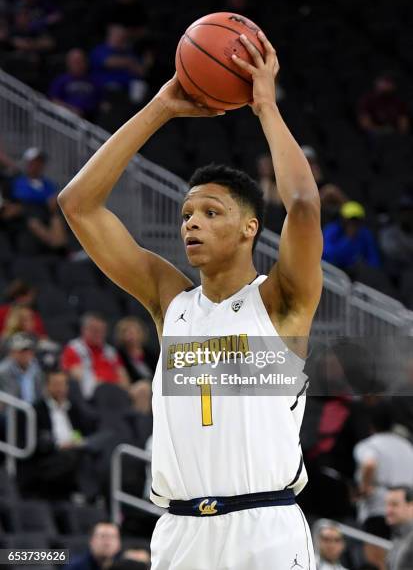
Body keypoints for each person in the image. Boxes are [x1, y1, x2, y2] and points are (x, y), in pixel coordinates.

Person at [58, 29, 322, 568]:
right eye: (185, 216)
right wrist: (160, 107)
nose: (191, 225)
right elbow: (78, 204)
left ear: (250, 228)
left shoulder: (280, 303)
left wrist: (265, 106)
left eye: (210, 213)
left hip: (263, 528)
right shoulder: (169, 301)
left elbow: (303, 205)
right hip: (179, 532)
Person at [17, 369, 105, 499]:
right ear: (47, 386)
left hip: (75, 451)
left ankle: (89, 495)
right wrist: (59, 445)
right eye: (56, 384)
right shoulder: (35, 410)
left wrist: (79, 442)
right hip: (50, 457)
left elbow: (85, 431)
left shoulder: (73, 409)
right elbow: (36, 442)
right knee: (76, 455)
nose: (60, 388)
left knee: (100, 445)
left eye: (63, 384)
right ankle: (89, 496)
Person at [354, 403, 413, 570]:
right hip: (406, 511)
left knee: (377, 563)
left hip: (378, 509)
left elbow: (369, 464)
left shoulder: (370, 444)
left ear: (371, 425)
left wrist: (364, 488)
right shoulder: (407, 446)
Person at [62, 312, 129, 398]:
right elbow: (78, 377)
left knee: (143, 388)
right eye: (95, 330)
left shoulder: (110, 351)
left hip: (115, 391)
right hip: (92, 394)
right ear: (84, 330)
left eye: (102, 331)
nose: (99, 334)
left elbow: (123, 376)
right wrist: (104, 386)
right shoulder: (74, 348)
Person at [322, 201, 381, 270]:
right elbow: (329, 255)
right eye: (350, 220)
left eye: (357, 220)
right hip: (333, 270)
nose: (353, 223)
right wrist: (348, 239)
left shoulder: (364, 233)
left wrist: (369, 268)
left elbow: (373, 257)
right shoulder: (331, 230)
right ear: (343, 219)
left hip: (357, 272)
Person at [49, 49, 101, 120]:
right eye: (75, 62)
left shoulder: (94, 80)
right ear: (68, 63)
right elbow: (54, 101)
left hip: (89, 119)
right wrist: (71, 110)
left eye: (80, 61)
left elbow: (100, 102)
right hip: (65, 119)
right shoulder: (61, 80)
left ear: (85, 62)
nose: (77, 65)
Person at [0, 332, 42, 404]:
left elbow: (39, 393)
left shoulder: (36, 368)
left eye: (28, 351)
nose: (25, 355)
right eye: (21, 351)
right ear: (12, 353)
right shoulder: (3, 371)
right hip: (13, 409)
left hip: (33, 409)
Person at [114, 317, 154, 382]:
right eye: (126, 332)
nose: (130, 337)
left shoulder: (151, 354)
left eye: (133, 333)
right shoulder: (118, 354)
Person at [385, 487, 413, 570]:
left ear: (411, 506)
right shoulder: (397, 536)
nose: (388, 510)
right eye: (387, 504)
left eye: (394, 504)